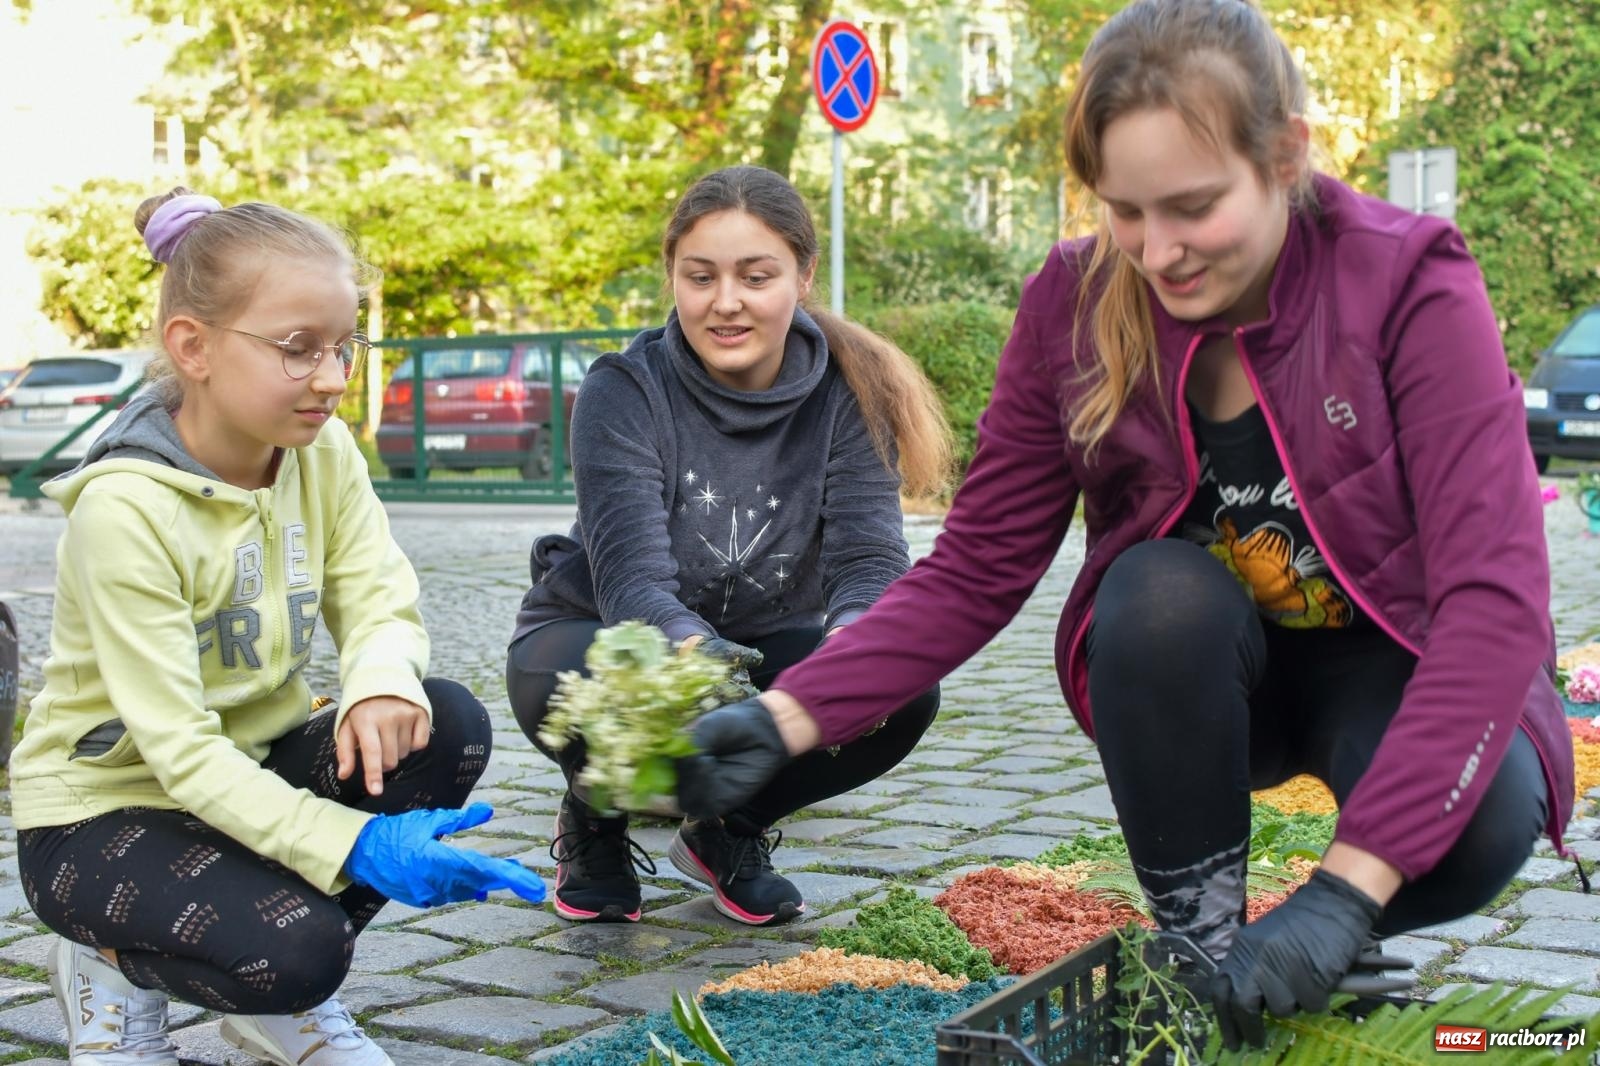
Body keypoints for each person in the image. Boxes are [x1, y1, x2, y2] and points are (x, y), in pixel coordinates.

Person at [672, 0, 1576, 1048]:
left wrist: (1341, 894)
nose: (1158, 253)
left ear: (1287, 155)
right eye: (1126, 212)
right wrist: (784, 717)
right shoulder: (1071, 299)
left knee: (1469, 827)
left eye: (1193, 207)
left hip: (1392, 664)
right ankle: (1199, 954)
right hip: (1199, 672)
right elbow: (975, 569)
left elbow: (1492, 605)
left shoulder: (1407, 280)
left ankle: (1323, 942)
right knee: (1150, 589)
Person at [11, 188, 546, 1066]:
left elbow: (376, 594)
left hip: (248, 774)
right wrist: (358, 843)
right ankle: (108, 968)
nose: (334, 378)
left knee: (443, 723)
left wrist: (379, 678)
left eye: (345, 347)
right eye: (299, 350)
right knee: (297, 952)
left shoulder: (322, 450)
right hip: (104, 814)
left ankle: (274, 1015)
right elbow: (178, 751)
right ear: (194, 347)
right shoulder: (124, 511)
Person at [506, 165, 951, 927]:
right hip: (611, 633)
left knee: (902, 688)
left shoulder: (852, 391)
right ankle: (593, 816)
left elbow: (870, 560)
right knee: (571, 681)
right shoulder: (624, 387)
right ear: (673, 277)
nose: (726, 301)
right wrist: (698, 662)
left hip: (767, 635)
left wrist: (854, 648)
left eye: (756, 275)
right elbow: (629, 580)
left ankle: (727, 833)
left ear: (803, 276)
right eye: (700, 276)